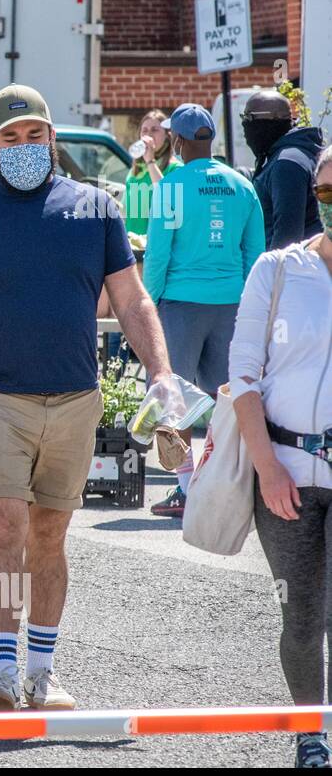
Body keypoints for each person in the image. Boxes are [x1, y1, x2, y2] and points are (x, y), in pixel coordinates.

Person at [0, 84, 173, 713]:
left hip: (76, 397)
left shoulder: (96, 210)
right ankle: (2, 674)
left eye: (34, 134)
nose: (24, 146)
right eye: (10, 137)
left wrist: (161, 372)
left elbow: (133, 300)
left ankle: (42, 673)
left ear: (51, 138)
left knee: (51, 535)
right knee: (3, 523)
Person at [229, 144, 332, 768]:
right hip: (286, 471)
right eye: (326, 187)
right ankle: (311, 735)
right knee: (302, 616)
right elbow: (243, 375)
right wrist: (266, 466)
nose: (331, 197)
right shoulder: (276, 269)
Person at [142, 104, 265, 518]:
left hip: (180, 303)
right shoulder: (241, 185)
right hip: (231, 303)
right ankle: (230, 482)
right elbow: (255, 253)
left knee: (170, 398)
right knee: (229, 399)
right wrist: (249, 303)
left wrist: (148, 305)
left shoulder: (172, 187)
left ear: (175, 141)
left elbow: (157, 255)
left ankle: (184, 489)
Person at [243, 89, 323, 249]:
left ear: (268, 122)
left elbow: (288, 235)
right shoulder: (296, 154)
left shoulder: (287, 162)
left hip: (291, 269)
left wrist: (272, 271)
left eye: (248, 117)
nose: (245, 125)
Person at [122, 108, 182, 237]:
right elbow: (125, 210)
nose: (149, 135)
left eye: (155, 130)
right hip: (133, 242)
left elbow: (166, 195)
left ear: (167, 135)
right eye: (145, 130)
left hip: (158, 243)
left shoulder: (175, 168)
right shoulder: (136, 170)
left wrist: (150, 160)